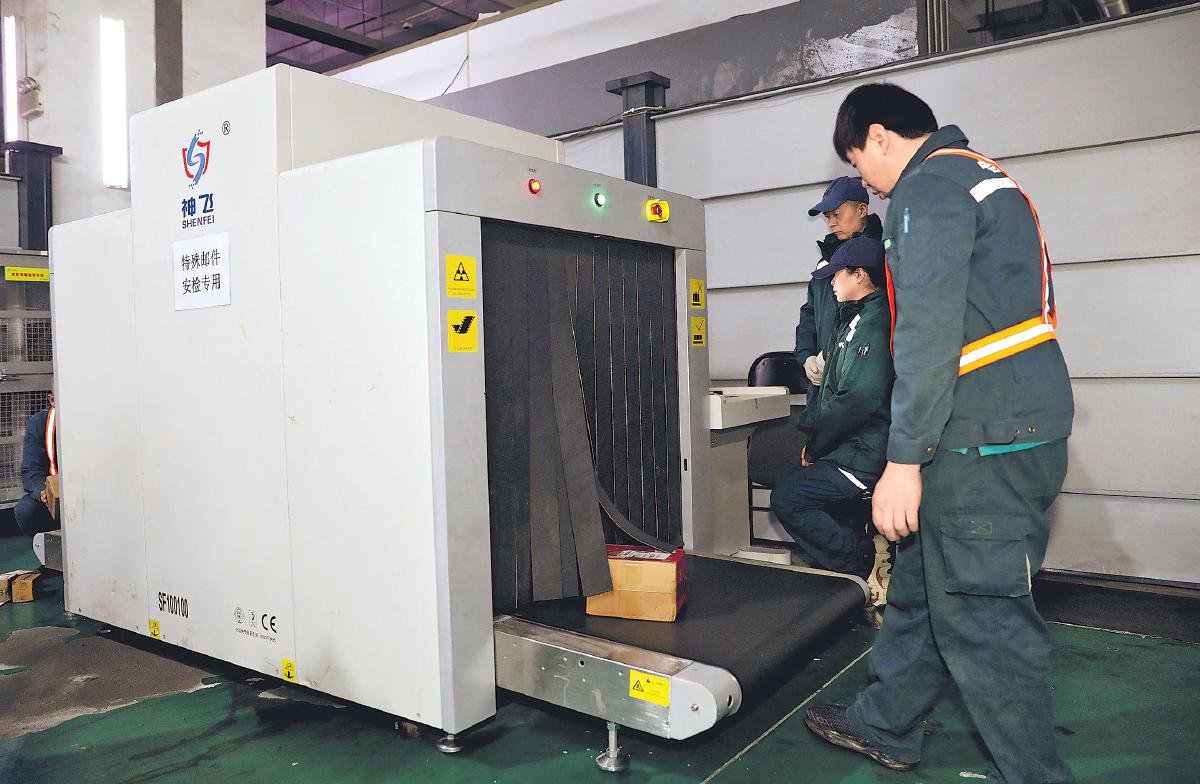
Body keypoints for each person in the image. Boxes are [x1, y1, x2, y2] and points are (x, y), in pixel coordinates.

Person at [804, 83, 1075, 784]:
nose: (864, 180)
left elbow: (927, 334)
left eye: (858, 160)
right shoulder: (982, 176)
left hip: (978, 436)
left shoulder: (927, 189)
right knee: (925, 587)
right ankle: (885, 723)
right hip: (1002, 423)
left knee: (983, 618)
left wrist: (903, 461)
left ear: (880, 136)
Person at [772, 236, 894, 594]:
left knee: (788, 497)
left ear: (859, 275)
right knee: (795, 486)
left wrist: (816, 448)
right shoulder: (855, 319)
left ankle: (861, 563)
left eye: (838, 274)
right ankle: (855, 564)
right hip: (850, 447)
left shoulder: (872, 324)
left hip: (863, 453)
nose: (831, 283)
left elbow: (854, 401)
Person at [795, 176, 883, 389]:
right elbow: (809, 313)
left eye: (836, 214)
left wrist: (831, 354)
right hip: (823, 384)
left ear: (862, 210)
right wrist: (806, 356)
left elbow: (879, 318)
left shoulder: (882, 257)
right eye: (827, 217)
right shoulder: (825, 262)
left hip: (861, 380)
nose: (831, 223)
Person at [14, 392, 58, 536]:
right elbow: (31, 470)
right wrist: (45, 491)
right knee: (26, 510)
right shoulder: (39, 423)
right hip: (55, 493)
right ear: (52, 400)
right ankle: (51, 544)